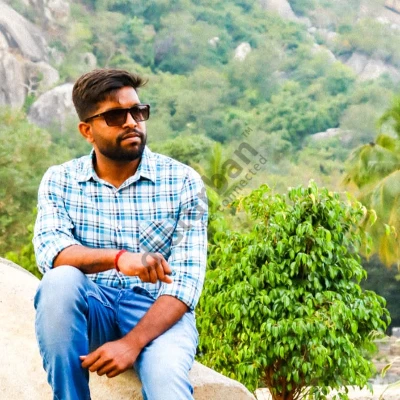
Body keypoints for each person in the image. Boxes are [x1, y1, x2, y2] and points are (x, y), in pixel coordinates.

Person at [33, 68, 208, 400]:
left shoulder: (183, 182)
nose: (131, 122)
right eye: (115, 116)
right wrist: (119, 259)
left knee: (167, 386)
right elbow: (52, 253)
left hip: (156, 311)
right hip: (92, 309)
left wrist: (130, 344)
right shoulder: (61, 181)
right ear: (87, 130)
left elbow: (186, 284)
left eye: (137, 112)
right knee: (58, 281)